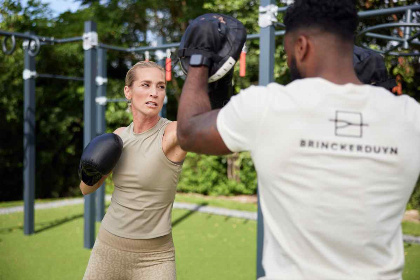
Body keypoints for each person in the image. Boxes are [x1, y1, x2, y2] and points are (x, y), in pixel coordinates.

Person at [176, 1, 420, 279]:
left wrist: (200, 59)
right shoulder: (410, 116)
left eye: (287, 50)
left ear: (301, 46)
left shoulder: (269, 105)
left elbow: (188, 132)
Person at [80, 61, 186, 280]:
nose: (154, 93)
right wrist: (89, 171)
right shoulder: (117, 137)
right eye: (145, 85)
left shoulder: (172, 133)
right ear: (128, 91)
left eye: (160, 87)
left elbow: (202, 125)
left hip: (155, 258)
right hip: (107, 249)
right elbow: (86, 189)